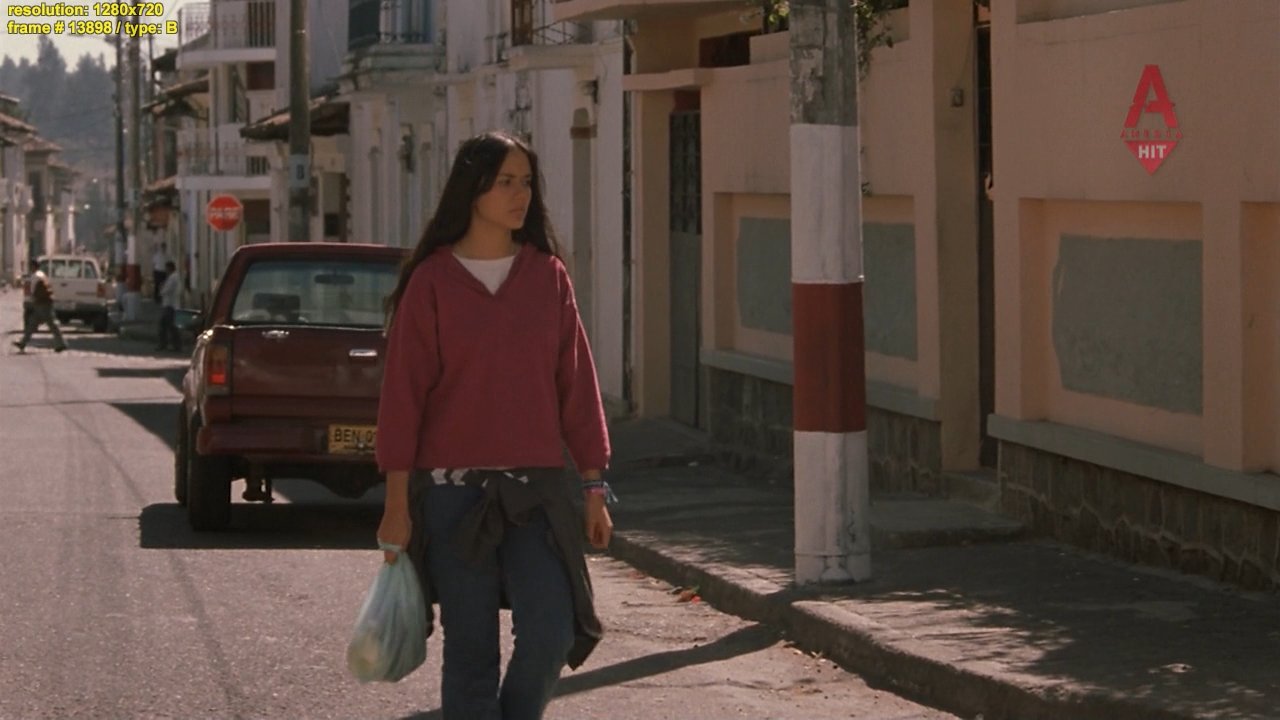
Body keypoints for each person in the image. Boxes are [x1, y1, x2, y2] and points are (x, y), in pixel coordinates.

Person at [375, 130, 613, 720]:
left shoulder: (547, 277)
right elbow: (403, 399)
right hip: (453, 498)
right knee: (470, 651)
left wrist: (593, 485)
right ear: (472, 190)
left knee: (552, 634)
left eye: (526, 182)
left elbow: (576, 386)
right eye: (505, 182)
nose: (519, 195)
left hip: (535, 494)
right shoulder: (432, 282)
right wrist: (397, 505)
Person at [13, 260, 66, 353]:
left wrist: (30, 299)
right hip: (43, 303)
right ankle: (22, 343)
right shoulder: (42, 275)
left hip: (43, 304)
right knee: (32, 324)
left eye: (31, 266)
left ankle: (61, 343)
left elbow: (32, 289)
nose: (30, 268)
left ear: (33, 266)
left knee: (52, 324)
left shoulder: (36, 276)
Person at [156, 260, 183, 352]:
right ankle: (171, 344)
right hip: (170, 304)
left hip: (170, 305)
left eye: (167, 268)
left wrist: (161, 290)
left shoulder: (173, 278)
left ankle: (168, 344)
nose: (165, 270)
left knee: (168, 325)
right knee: (168, 326)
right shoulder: (173, 277)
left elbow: (166, 290)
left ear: (170, 268)